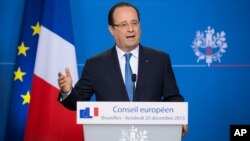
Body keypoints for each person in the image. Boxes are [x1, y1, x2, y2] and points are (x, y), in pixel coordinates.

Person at [58, 2, 187, 136]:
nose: (131, 29)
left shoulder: (160, 60)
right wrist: (67, 91)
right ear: (111, 30)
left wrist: (180, 118)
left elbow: (173, 98)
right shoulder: (95, 65)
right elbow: (79, 103)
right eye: (124, 25)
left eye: (134, 23)